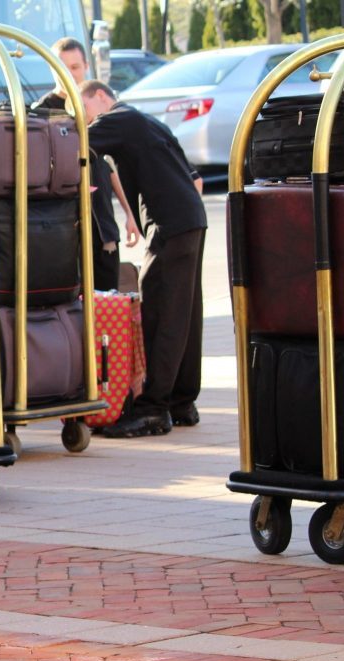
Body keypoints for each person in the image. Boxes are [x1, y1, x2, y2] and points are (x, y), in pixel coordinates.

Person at [78, 79, 207, 438]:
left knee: (161, 312)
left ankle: (154, 408)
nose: (87, 121)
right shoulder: (149, 122)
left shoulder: (119, 119)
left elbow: (76, 145)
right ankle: (182, 401)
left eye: (85, 111)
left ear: (101, 98)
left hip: (168, 224)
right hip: (190, 219)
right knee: (184, 313)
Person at [31, 38, 137, 291]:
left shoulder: (99, 105)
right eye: (62, 68)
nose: (69, 74)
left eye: (75, 67)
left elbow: (110, 166)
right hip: (63, 229)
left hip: (102, 227)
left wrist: (130, 213)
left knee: (107, 300)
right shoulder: (40, 112)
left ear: (87, 67)